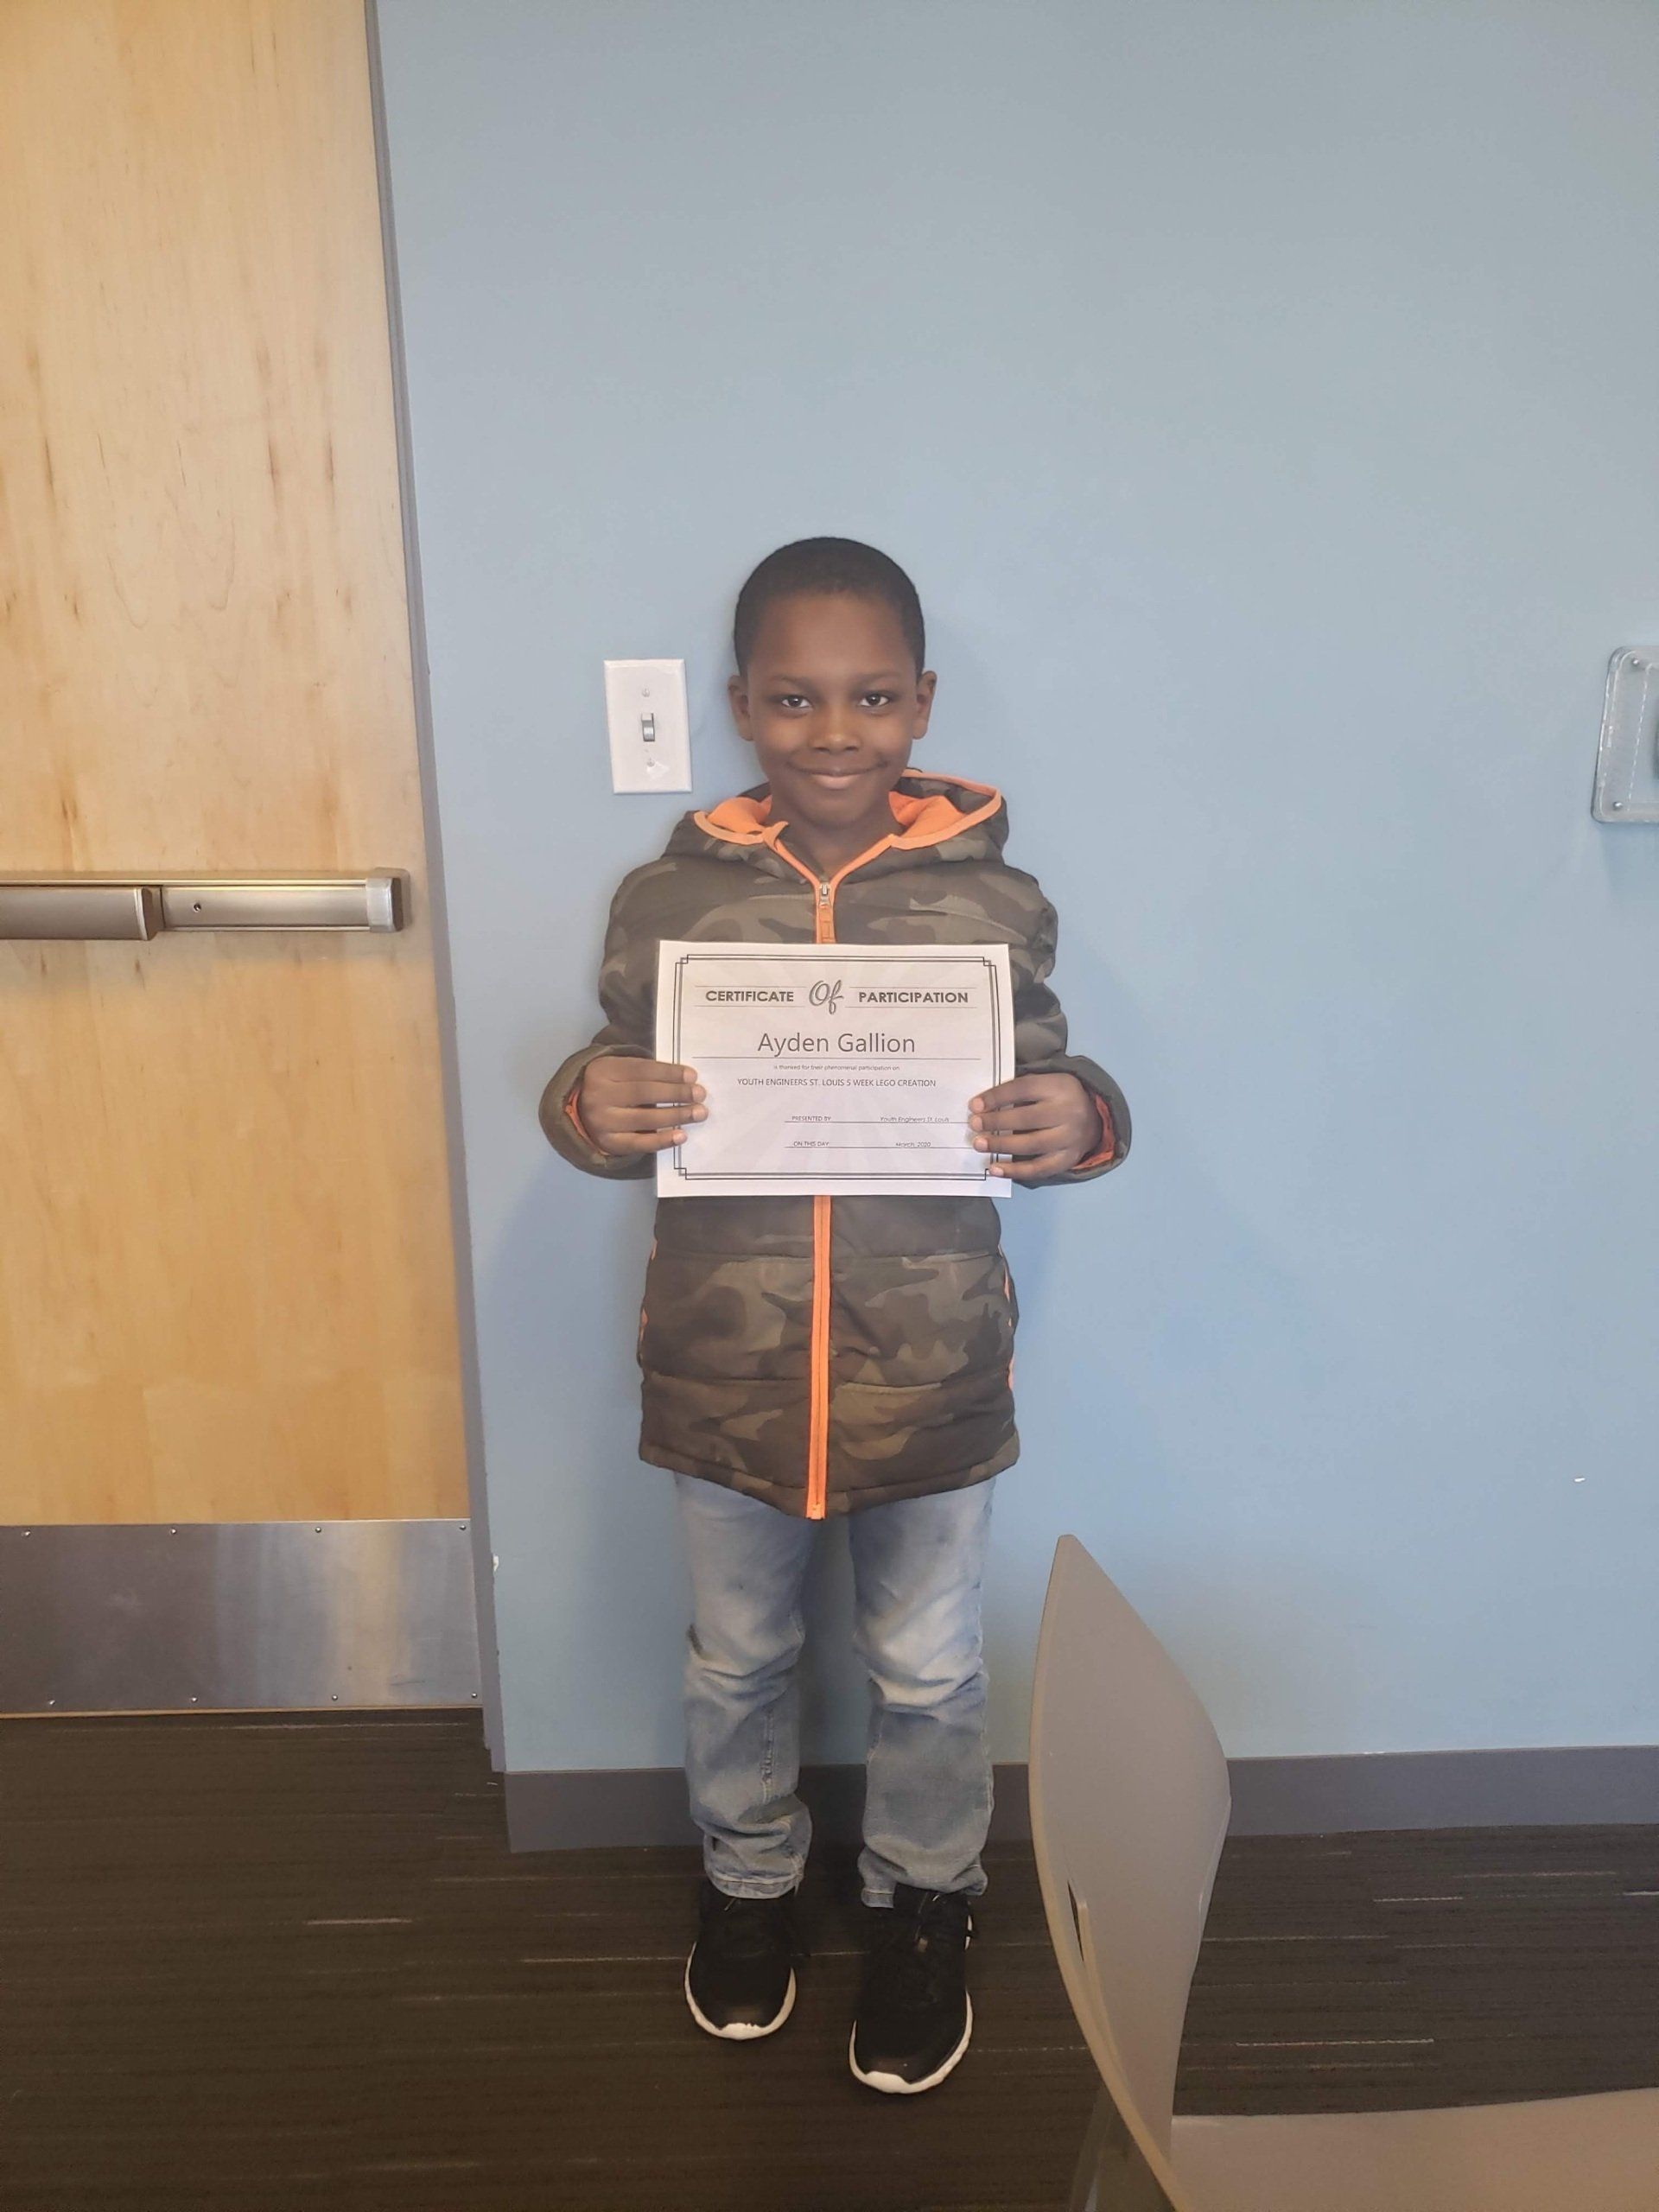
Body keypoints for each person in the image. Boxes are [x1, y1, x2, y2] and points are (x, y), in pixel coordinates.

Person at [540, 537, 1129, 2094]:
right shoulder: (666, 898)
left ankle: (925, 1899)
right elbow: (607, 1086)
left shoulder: (997, 903)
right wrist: (587, 1101)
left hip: (927, 1370)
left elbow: (1050, 1083)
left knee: (928, 1671)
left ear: (922, 703)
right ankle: (748, 1885)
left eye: (871, 696)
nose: (834, 730)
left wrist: (1078, 1115)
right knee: (735, 1658)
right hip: (723, 1369)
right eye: (794, 697)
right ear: (741, 704)